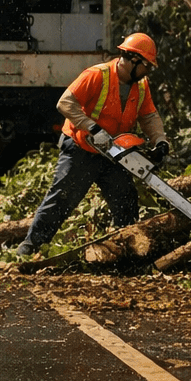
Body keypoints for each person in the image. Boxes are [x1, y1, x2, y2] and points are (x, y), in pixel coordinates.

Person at [16, 33, 170, 257]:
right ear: (133, 59)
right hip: (81, 148)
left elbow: (149, 117)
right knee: (62, 198)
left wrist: (160, 141)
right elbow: (65, 103)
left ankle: (127, 250)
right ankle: (29, 247)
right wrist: (92, 128)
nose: (148, 70)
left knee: (125, 198)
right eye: (146, 64)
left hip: (114, 153)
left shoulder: (142, 85)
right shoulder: (97, 75)